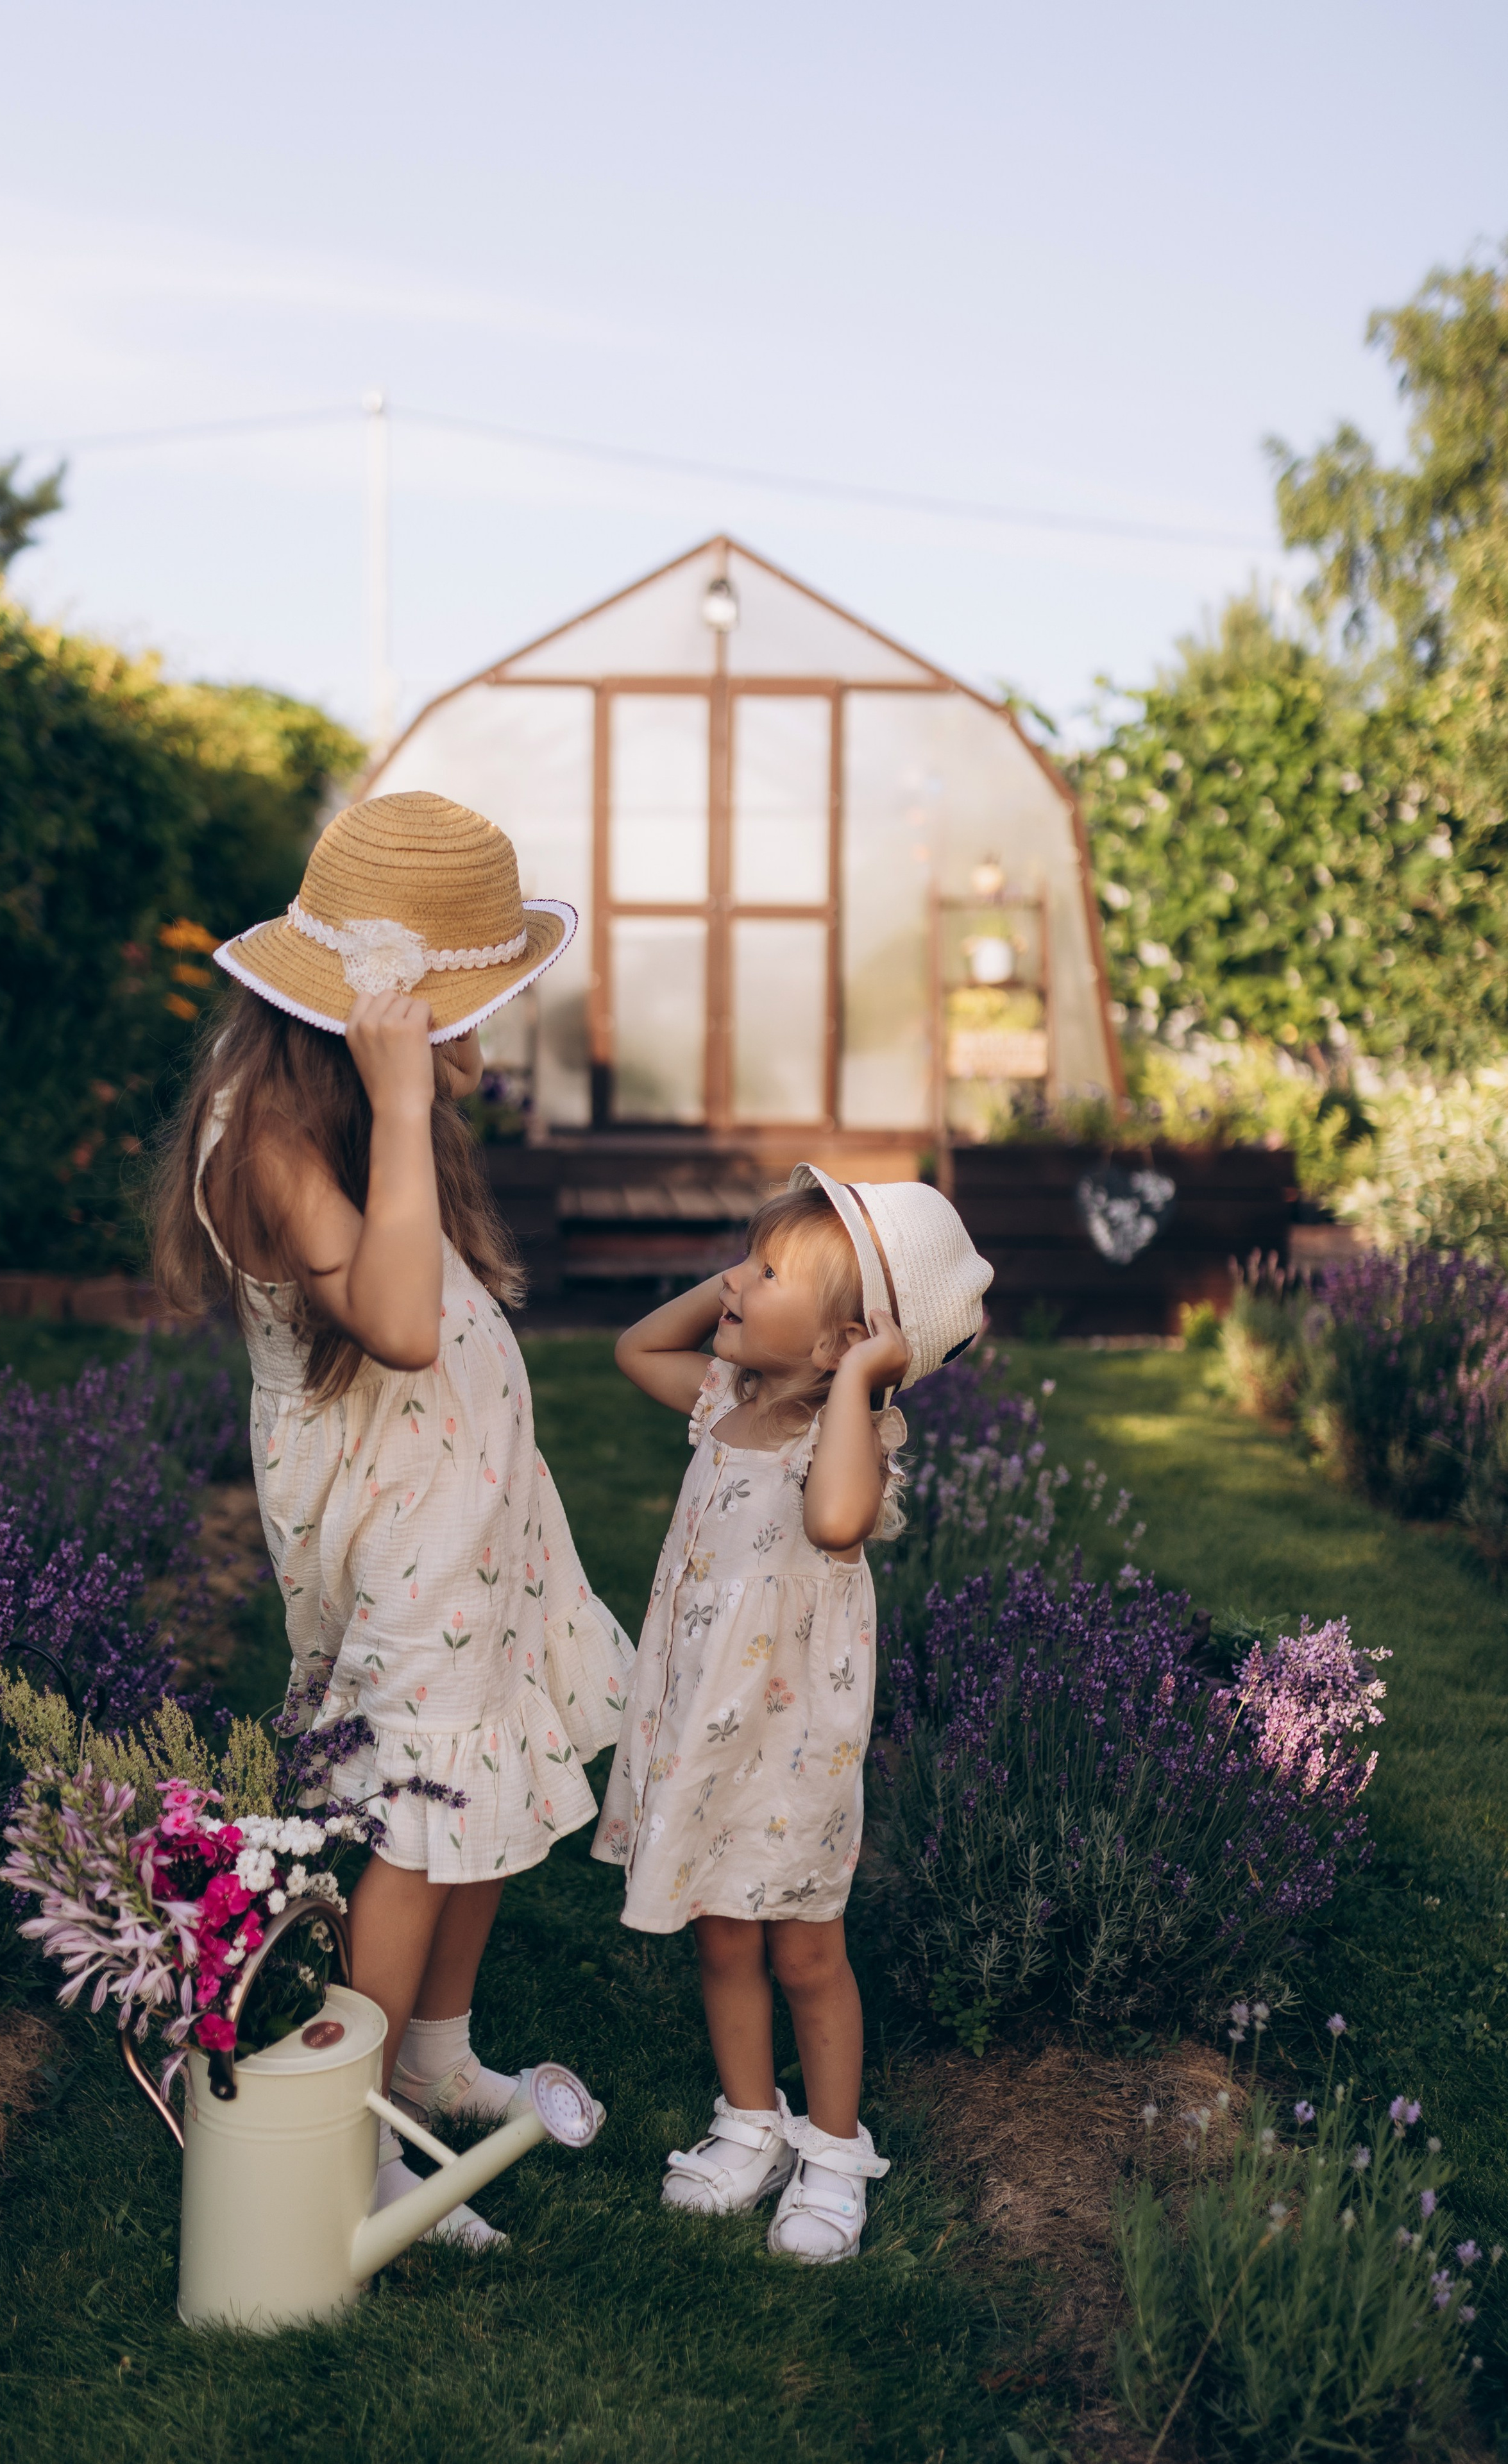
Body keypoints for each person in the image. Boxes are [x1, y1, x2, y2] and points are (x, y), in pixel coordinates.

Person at [153, 790, 632, 2247]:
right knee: (417, 1816)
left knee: (481, 1776)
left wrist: (406, 1094)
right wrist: (409, 1097)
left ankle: (433, 2052)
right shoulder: (268, 1139)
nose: (474, 1045)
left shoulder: (349, 1105)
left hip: (474, 1509)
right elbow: (404, 1324)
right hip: (398, 1521)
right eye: (457, 1016)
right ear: (369, 1019)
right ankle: (354, 2138)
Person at [594, 1167, 990, 2262]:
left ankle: (830, 2145)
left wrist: (862, 1378)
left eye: (767, 1273)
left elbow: (833, 1522)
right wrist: (735, 1285)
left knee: (806, 1949)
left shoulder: (839, 1441)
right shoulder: (726, 1402)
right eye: (748, 1259)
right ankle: (750, 2119)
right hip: (703, 1725)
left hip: (792, 1749)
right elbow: (636, 1348)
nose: (738, 1277)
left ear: (838, 1345)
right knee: (722, 1933)